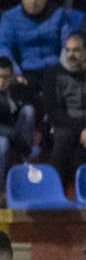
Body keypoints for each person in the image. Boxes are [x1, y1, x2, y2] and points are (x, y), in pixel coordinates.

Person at [0, 0, 80, 93]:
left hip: (56, 69)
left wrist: (68, 67)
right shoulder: (10, 17)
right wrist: (15, 72)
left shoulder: (59, 14)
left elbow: (68, 44)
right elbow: (0, 48)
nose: (33, 1)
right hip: (25, 72)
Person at [0, 57, 38, 197]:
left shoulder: (16, 86)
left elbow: (39, 90)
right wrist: (12, 134)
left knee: (29, 110)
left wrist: (26, 83)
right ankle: (4, 187)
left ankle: (25, 159)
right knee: (3, 142)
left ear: (12, 76)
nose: (2, 82)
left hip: (14, 131)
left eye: (5, 77)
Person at [46, 34, 86, 190]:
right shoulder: (53, 72)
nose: (71, 55)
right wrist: (81, 128)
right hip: (64, 123)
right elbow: (53, 110)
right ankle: (55, 190)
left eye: (76, 50)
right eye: (68, 50)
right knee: (63, 137)